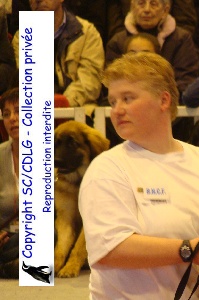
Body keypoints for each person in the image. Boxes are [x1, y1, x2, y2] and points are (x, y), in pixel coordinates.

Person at [79, 52, 199, 299]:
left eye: (128, 98)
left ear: (163, 100)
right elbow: (110, 249)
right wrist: (187, 249)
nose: (117, 110)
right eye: (113, 101)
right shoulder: (108, 168)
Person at [12, 0, 105, 113]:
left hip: (79, 109)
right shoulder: (22, 37)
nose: (38, 0)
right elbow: (29, 85)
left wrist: (60, 104)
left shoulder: (87, 33)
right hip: (38, 111)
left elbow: (90, 84)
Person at [105, 0, 199, 97]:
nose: (147, 9)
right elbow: (112, 83)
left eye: (153, 4)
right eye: (141, 3)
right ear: (132, 7)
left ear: (165, 10)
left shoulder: (181, 40)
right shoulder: (117, 42)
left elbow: (185, 82)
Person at [0, 88, 19, 278]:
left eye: (20, 111)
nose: (12, 118)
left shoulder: (54, 155)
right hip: (5, 240)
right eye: (6, 114)